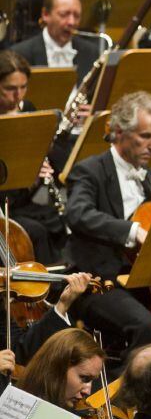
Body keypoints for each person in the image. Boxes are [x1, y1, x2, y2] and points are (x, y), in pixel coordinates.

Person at [66, 91, 151, 349]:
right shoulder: (89, 171)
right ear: (118, 132)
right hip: (99, 282)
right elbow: (78, 214)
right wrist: (132, 230)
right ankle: (136, 389)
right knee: (145, 325)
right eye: (145, 136)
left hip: (145, 282)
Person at [0, 49, 85, 263]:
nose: (18, 96)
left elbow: (30, 186)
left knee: (62, 220)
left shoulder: (27, 110)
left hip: (19, 201)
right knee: (36, 231)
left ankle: (70, 278)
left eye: (23, 88)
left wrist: (36, 173)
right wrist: (26, 172)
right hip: (2, 206)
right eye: (9, 89)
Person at [11, 0, 100, 81]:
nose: (71, 22)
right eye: (64, 14)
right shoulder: (20, 55)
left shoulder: (91, 53)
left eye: (77, 16)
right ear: (45, 14)